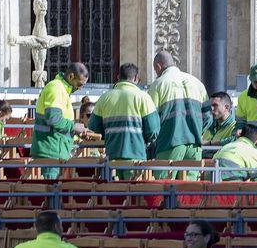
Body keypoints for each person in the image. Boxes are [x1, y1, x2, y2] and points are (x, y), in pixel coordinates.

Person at [88, 64, 161, 180]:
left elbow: (93, 129)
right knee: (133, 195)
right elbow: (153, 130)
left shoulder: (104, 98)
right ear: (136, 78)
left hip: (111, 158)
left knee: (114, 196)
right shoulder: (143, 97)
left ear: (118, 77)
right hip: (136, 158)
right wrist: (144, 141)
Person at [148, 50, 211, 179]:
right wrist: (197, 130)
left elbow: (151, 120)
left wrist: (153, 140)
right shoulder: (197, 83)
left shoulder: (158, 85)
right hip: (195, 146)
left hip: (169, 143)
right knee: (189, 192)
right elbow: (208, 117)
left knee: (162, 188)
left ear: (158, 67)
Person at [33, 63, 90, 179]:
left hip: (54, 150)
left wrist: (76, 133)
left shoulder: (60, 89)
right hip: (50, 151)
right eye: (79, 84)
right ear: (71, 77)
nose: (80, 88)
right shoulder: (56, 88)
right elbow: (54, 119)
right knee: (50, 191)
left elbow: (60, 125)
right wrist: (74, 127)